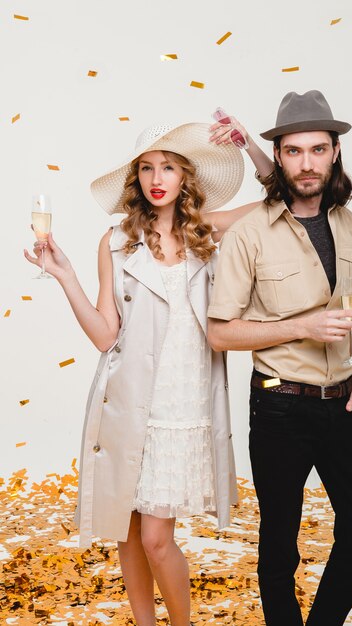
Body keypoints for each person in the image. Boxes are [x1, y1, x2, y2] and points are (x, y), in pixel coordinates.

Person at [24, 121, 257, 626]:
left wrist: (251, 148)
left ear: (184, 177)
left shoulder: (206, 234)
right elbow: (107, 336)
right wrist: (66, 277)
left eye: (168, 167)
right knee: (128, 531)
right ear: (136, 178)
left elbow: (276, 205)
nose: (157, 177)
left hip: (183, 407)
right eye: (147, 167)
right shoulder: (116, 242)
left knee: (156, 537)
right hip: (128, 402)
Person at [207, 91, 352, 626]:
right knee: (280, 545)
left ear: (334, 154)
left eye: (318, 150)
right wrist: (301, 327)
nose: (307, 163)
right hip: (281, 407)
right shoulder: (249, 231)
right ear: (279, 157)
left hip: (345, 405)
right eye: (293, 151)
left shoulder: (346, 222)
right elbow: (219, 333)